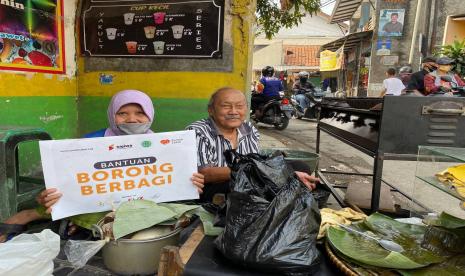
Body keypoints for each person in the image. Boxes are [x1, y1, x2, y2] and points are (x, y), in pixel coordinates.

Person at [0, 90, 205, 242]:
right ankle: (44, 217)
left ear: (150, 114)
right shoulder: (91, 142)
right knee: (75, 203)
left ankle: (80, 225)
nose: (132, 119)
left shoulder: (162, 145)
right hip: (100, 200)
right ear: (111, 114)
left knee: (166, 213)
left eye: (139, 113)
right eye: (122, 113)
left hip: (136, 202)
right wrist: (51, 193)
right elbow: (72, 179)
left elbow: (169, 180)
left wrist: (190, 180)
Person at [187, 87, 318, 202]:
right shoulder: (197, 131)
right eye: (226, 106)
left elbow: (253, 160)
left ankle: (281, 198)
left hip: (248, 178)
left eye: (239, 106)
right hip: (215, 187)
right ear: (211, 110)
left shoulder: (248, 128)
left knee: (300, 166)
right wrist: (269, 172)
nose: (233, 111)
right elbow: (205, 173)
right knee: (245, 184)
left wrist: (277, 171)